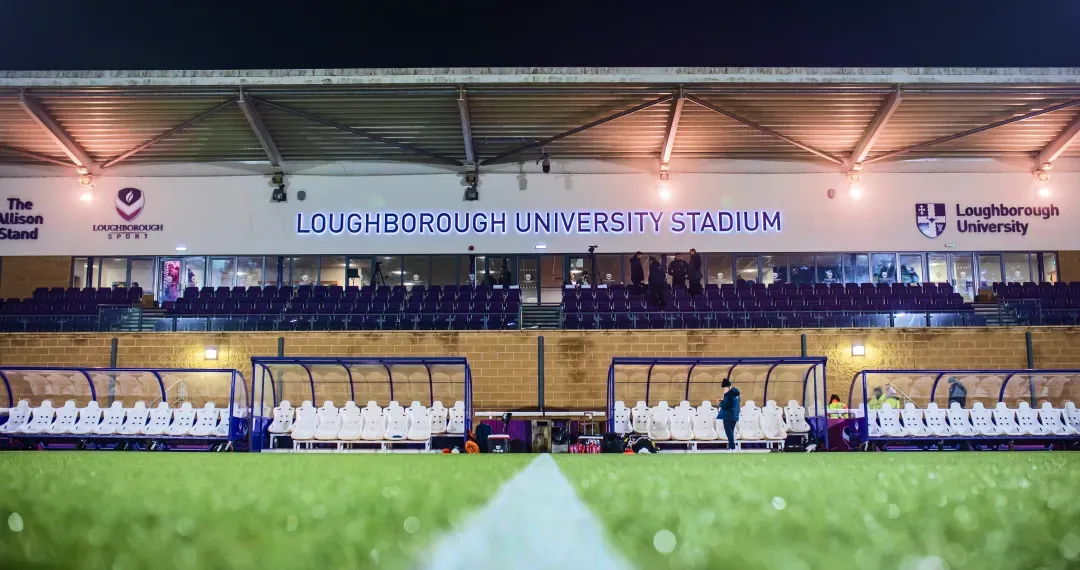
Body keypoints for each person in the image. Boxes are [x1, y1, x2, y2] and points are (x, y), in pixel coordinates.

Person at [716, 379, 741, 450]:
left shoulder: (728, 394)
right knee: (731, 432)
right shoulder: (737, 395)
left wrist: (720, 403)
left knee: (729, 433)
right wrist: (724, 400)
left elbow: (725, 405)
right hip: (734, 416)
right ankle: (732, 447)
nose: (723, 390)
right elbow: (732, 404)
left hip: (727, 416)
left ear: (727, 387)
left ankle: (732, 448)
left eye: (724, 388)